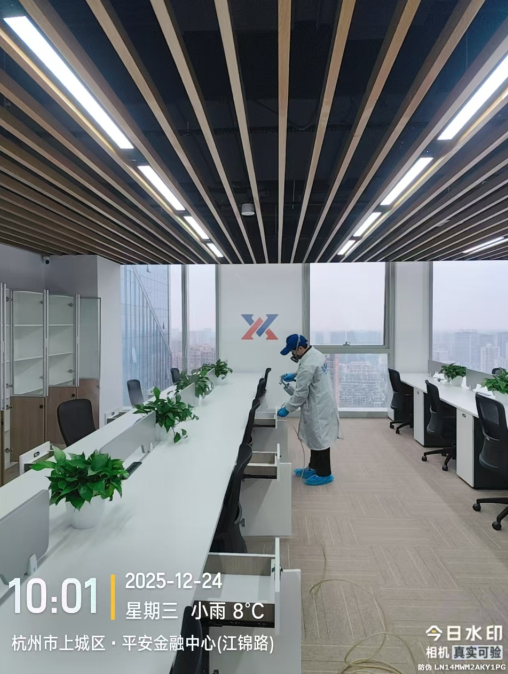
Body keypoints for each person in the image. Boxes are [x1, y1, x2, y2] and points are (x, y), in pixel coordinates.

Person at [277, 334, 341, 486]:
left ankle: (325, 473)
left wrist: (287, 409)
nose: (292, 354)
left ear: (300, 348)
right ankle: (314, 467)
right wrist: (295, 375)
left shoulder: (308, 364)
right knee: (315, 437)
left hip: (318, 405)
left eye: (293, 351)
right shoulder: (314, 353)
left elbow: (300, 394)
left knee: (320, 439)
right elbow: (310, 371)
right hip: (321, 399)